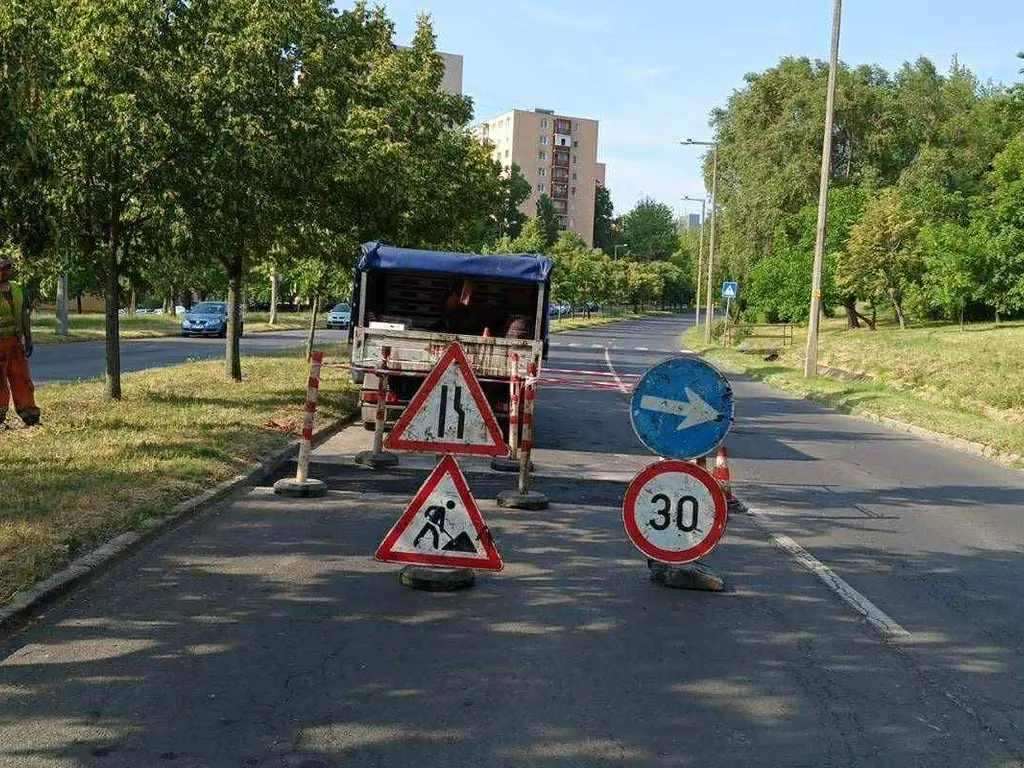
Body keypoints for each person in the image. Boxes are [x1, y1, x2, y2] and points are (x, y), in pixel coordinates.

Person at [0, 258, 40, 427]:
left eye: (9, 268)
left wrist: (29, 338)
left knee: (23, 381)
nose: (9, 271)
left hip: (16, 344)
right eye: (5, 269)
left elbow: (24, 315)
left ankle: (30, 415)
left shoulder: (17, 289)